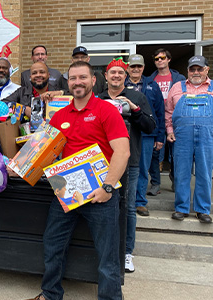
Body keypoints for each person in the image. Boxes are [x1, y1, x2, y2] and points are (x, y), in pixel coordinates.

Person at [26, 61, 130, 300]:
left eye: (83, 77)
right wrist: (19, 166)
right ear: (67, 83)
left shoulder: (106, 110)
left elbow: (122, 152)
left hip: (100, 195)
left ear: (93, 80)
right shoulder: (59, 115)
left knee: (107, 255)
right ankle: (51, 294)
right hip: (66, 192)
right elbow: (43, 150)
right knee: (52, 245)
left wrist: (107, 187)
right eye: (73, 79)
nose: (77, 82)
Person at [99, 57, 155, 273]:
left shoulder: (137, 96)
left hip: (129, 162)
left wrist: (135, 109)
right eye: (112, 72)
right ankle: (106, 249)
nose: (116, 76)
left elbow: (150, 126)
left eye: (120, 73)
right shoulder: (99, 98)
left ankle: (127, 252)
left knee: (129, 207)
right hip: (102, 161)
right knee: (103, 205)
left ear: (125, 76)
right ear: (106, 76)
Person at [165, 55, 213, 224]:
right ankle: (181, 207)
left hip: (207, 136)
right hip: (182, 136)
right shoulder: (177, 87)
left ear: (206, 69)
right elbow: (169, 112)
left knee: (204, 173)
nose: (196, 72)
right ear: (188, 71)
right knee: (181, 173)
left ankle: (203, 209)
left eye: (199, 68)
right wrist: (169, 130)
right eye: (192, 69)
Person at [124, 54, 165, 217]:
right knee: (125, 167)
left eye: (139, 67)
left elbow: (160, 113)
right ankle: (125, 200)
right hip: (126, 133)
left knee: (142, 169)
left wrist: (160, 137)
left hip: (147, 135)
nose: (135, 69)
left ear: (143, 68)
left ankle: (140, 202)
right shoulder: (121, 85)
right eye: (132, 67)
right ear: (127, 68)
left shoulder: (152, 86)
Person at [147, 48, 186, 194]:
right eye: (156, 59)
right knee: (155, 153)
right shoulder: (150, 80)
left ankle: (175, 180)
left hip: (175, 121)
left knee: (176, 154)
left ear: (168, 59)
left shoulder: (179, 79)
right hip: (157, 121)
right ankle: (156, 183)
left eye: (162, 58)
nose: (159, 61)